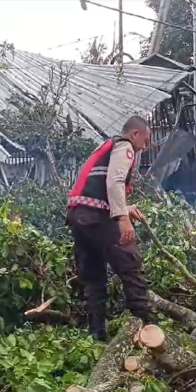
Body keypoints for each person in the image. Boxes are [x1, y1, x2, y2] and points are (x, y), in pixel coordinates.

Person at [66, 115, 154, 341]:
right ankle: (145, 327)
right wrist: (123, 218)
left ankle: (97, 332)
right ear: (134, 134)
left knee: (93, 274)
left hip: (79, 215)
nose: (145, 147)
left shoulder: (105, 146)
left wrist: (127, 206)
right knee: (131, 263)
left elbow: (99, 187)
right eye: (145, 141)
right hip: (96, 216)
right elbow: (114, 182)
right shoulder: (125, 147)